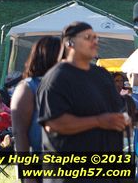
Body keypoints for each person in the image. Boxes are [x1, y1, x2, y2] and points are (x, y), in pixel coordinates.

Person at [37, 22, 127, 155]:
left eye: (95, 37)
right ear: (69, 43)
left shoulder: (102, 74)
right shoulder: (56, 78)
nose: (94, 42)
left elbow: (117, 109)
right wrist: (98, 121)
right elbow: (54, 124)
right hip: (70, 169)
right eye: (87, 37)